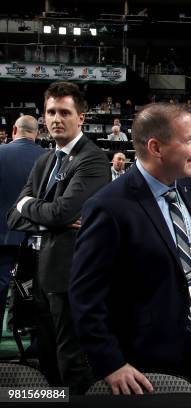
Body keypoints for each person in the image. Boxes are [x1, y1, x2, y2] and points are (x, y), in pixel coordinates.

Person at [69, 103, 191, 394]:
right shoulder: (108, 207)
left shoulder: (187, 188)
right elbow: (84, 297)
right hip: (143, 361)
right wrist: (110, 363)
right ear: (156, 147)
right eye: (189, 139)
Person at [7, 82, 110, 393]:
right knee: (47, 356)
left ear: (81, 117)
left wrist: (31, 207)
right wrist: (44, 216)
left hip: (72, 276)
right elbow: (14, 216)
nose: (56, 118)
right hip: (40, 273)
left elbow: (62, 213)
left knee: (72, 360)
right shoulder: (44, 160)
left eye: (64, 112)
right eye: (50, 112)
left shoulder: (92, 159)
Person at [0, 116, 44, 334]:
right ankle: (36, 347)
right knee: (35, 291)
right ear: (37, 133)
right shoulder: (49, 158)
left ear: (14, 129)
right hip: (36, 239)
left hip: (2, 236)